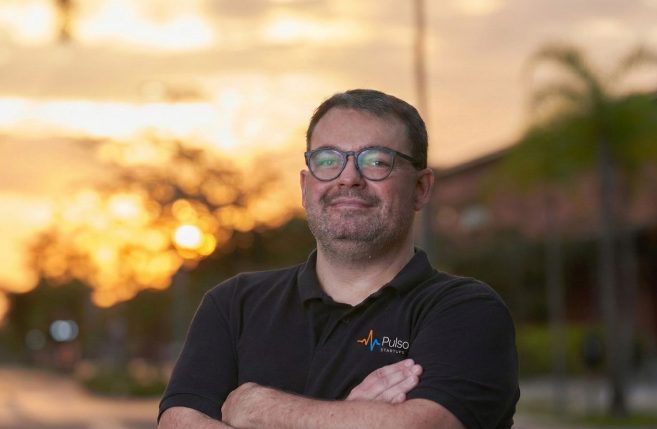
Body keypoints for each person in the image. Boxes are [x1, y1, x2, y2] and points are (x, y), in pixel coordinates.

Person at [158, 89, 519, 428]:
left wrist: (258, 408)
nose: (348, 178)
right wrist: (349, 418)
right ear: (305, 187)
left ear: (420, 188)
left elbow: (420, 425)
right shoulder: (234, 304)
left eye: (376, 161)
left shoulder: (466, 311)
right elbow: (177, 422)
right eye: (328, 160)